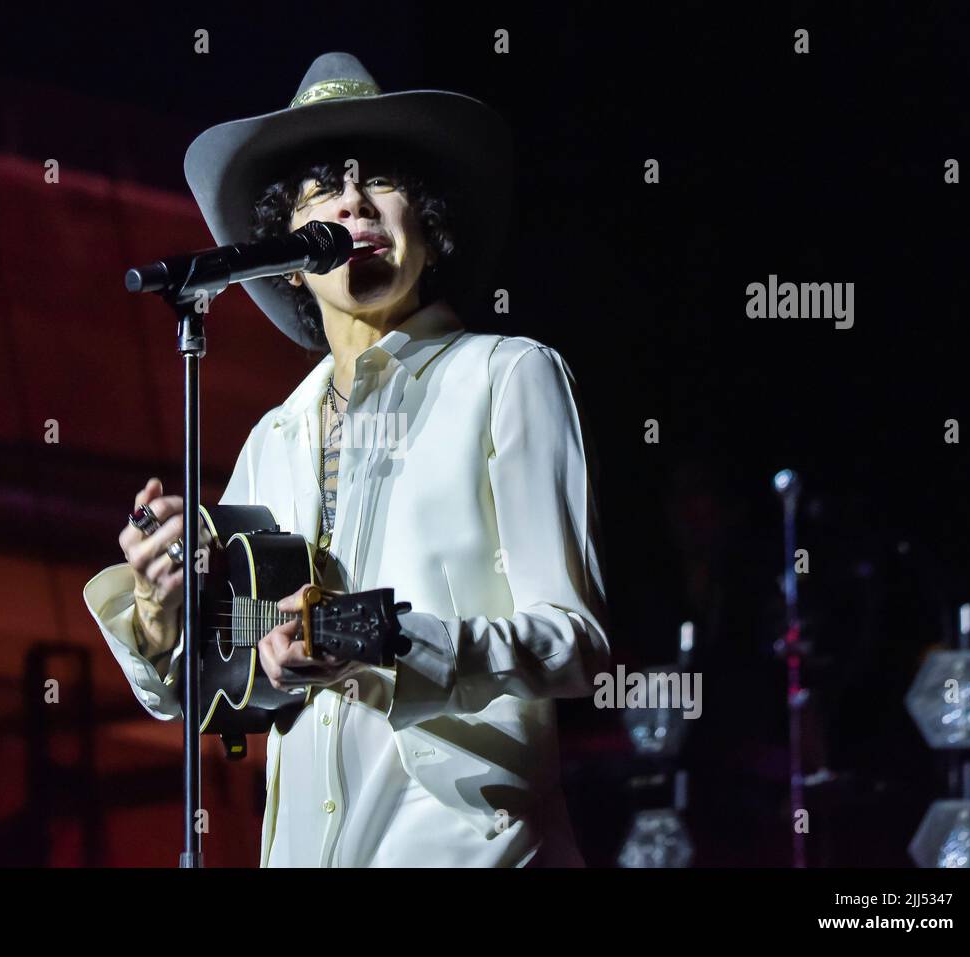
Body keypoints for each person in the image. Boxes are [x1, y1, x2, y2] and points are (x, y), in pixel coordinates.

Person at [84, 52, 610, 867]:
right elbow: (217, 684)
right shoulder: (274, 436)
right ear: (291, 248)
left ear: (431, 229)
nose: (352, 201)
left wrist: (384, 640)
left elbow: (575, 642)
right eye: (323, 187)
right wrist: (164, 603)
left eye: (382, 181)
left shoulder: (507, 376)